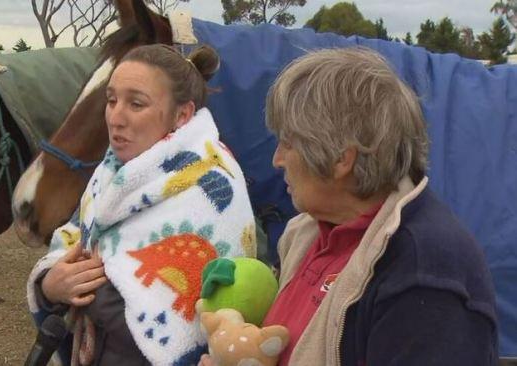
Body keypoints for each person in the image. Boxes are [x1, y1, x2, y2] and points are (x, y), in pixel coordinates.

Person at [201, 47, 498, 366]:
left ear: (342, 157)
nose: (277, 159)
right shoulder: (307, 231)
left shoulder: (424, 271)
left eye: (288, 142)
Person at [27, 44, 257, 366]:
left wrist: (89, 287)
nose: (115, 117)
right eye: (111, 100)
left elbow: (185, 315)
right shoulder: (108, 173)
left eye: (136, 103)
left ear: (182, 115)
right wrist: (49, 285)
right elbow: (72, 242)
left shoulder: (211, 184)